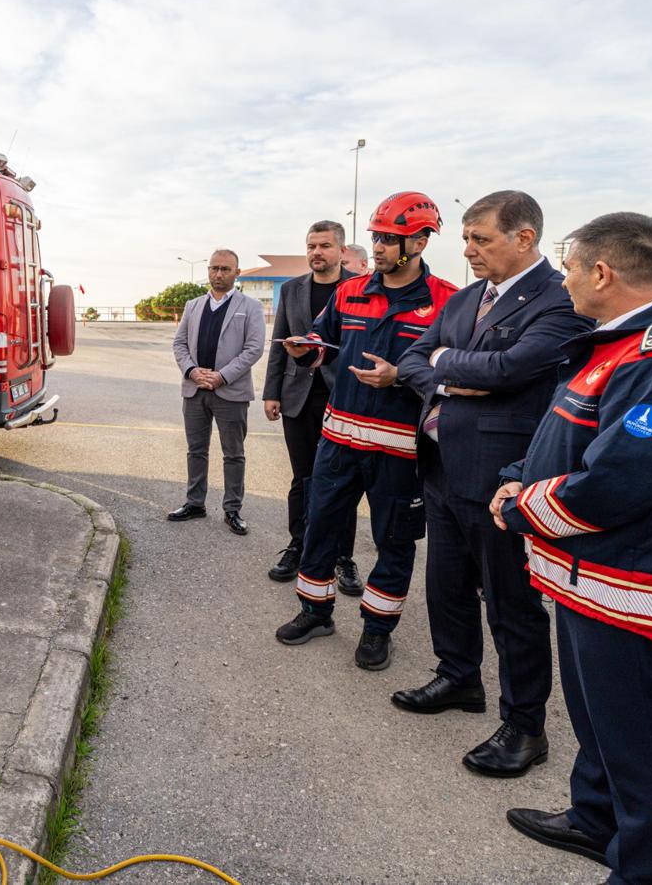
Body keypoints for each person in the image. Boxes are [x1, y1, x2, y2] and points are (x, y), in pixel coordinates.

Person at [497, 213, 652, 885]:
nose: (564, 279)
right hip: (592, 581)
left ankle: (646, 873)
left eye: (570, 267)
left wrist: (521, 508)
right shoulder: (623, 342)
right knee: (600, 727)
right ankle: (594, 819)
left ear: (601, 272)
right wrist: (519, 475)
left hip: (635, 590)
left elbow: (616, 483)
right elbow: (573, 435)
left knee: (644, 757)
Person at [393, 191, 588, 778]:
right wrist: (454, 375)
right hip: (443, 466)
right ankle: (457, 677)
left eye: (482, 239)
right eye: (467, 239)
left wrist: (445, 367)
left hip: (501, 474)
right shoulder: (469, 297)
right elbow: (412, 360)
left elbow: (511, 370)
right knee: (446, 585)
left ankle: (524, 725)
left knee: (511, 605)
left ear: (524, 238)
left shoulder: (558, 299)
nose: (469, 250)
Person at [273, 191, 457, 671]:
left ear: (418, 241)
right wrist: (304, 348)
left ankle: (377, 631)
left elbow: (458, 374)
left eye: (388, 239)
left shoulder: (447, 303)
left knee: (394, 542)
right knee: (320, 530)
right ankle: (315, 612)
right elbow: (326, 342)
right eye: (376, 237)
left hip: (398, 452)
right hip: (338, 442)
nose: (376, 247)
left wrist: (403, 377)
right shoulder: (350, 291)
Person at [263, 221, 360, 588]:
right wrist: (271, 392)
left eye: (324, 245)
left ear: (341, 250)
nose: (316, 252)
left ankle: (342, 557)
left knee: (344, 480)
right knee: (303, 477)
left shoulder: (358, 288)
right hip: (297, 397)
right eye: (310, 246)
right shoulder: (291, 289)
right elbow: (279, 343)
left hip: (345, 399)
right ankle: (298, 545)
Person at [170, 249, 266, 535]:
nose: (218, 274)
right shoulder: (193, 305)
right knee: (196, 450)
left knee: (233, 453)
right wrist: (192, 371)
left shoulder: (250, 307)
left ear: (237, 273)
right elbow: (179, 345)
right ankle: (194, 503)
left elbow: (253, 349)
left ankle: (232, 509)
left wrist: (222, 376)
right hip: (195, 389)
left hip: (230, 391)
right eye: (214, 268)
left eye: (225, 269)